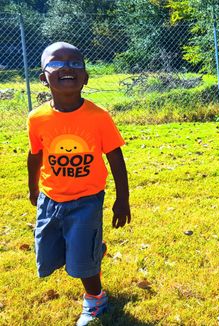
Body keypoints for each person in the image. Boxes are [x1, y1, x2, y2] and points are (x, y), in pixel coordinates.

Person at [27, 42, 131, 326]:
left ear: (85, 77)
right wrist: (33, 188)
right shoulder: (36, 119)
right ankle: (93, 248)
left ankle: (95, 299)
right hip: (50, 198)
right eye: (56, 63)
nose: (66, 67)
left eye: (75, 63)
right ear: (43, 77)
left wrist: (122, 199)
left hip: (87, 199)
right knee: (47, 252)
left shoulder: (98, 117)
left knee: (81, 262)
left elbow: (116, 158)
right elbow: (35, 154)